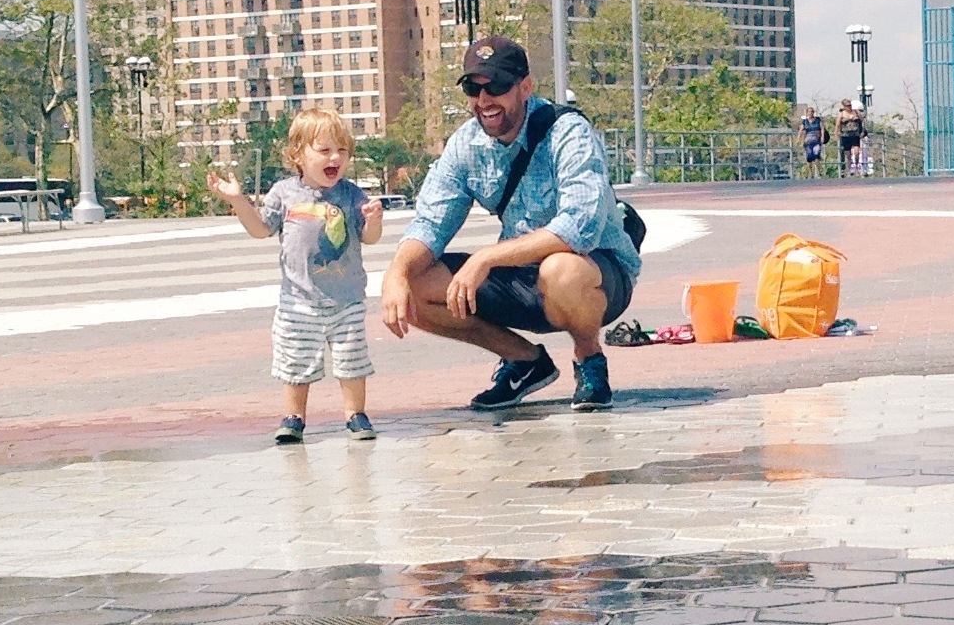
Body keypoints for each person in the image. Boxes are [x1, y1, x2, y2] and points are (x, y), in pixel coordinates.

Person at [380, 36, 640, 412]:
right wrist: (397, 273)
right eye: (474, 89)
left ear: (525, 87)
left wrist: (486, 258)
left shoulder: (568, 132)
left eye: (498, 86)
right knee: (414, 283)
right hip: (520, 277)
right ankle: (524, 361)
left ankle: (589, 360)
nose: (485, 100)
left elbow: (579, 227)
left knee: (561, 269)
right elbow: (431, 223)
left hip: (596, 277)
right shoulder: (465, 145)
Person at [209, 107, 384, 444]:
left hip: (346, 298)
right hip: (298, 299)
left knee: (352, 360)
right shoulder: (284, 193)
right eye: (324, 150)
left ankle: (355, 414)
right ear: (297, 155)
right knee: (296, 359)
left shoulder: (351, 194)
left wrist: (374, 221)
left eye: (342, 150)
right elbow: (261, 229)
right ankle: (294, 417)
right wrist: (238, 201)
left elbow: (369, 237)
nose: (335, 157)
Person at [836, 99, 865, 177]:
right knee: (848, 155)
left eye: (850, 105)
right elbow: (837, 125)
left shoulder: (856, 112)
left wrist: (862, 132)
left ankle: (857, 168)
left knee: (856, 152)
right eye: (847, 105)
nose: (849, 107)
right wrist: (836, 134)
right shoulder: (842, 114)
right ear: (844, 106)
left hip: (855, 135)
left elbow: (862, 122)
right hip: (845, 136)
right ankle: (849, 170)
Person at [800, 107, 825, 172]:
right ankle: (811, 172)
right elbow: (801, 130)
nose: (810, 113)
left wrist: (822, 137)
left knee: (817, 156)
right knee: (809, 158)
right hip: (808, 142)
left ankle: (818, 172)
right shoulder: (805, 121)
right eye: (809, 111)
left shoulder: (818, 120)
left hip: (816, 141)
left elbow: (822, 128)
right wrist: (799, 139)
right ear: (807, 113)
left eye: (812, 111)